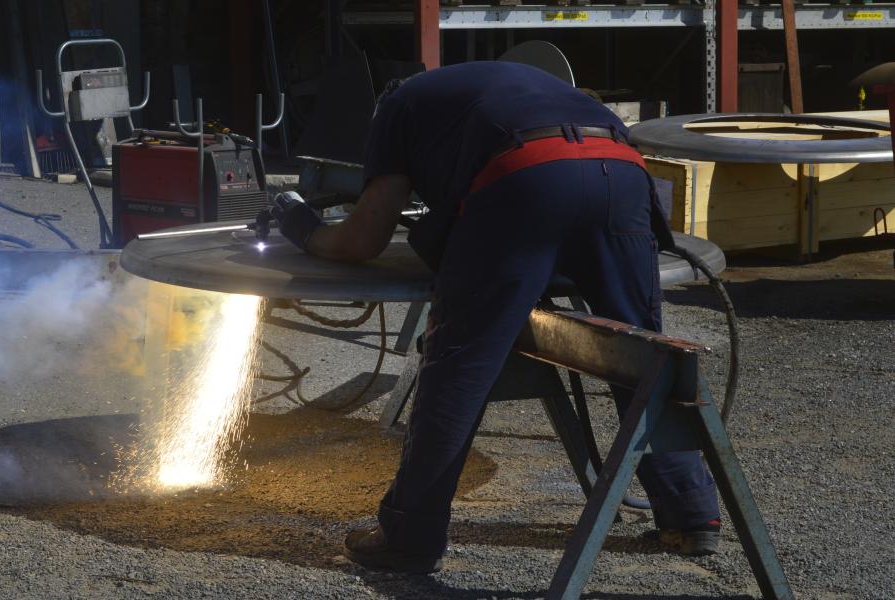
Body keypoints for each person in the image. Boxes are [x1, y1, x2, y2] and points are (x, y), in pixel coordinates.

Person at [270, 61, 721, 574]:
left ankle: (409, 536)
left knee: (459, 364)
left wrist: (303, 228)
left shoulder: (396, 106)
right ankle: (690, 517)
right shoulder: (512, 86)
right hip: (621, 176)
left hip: (526, 180)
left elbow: (363, 239)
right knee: (645, 358)